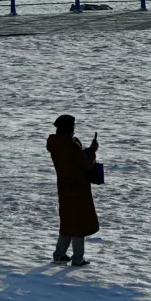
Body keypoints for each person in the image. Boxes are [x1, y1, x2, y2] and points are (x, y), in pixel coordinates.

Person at [45, 113, 99, 266]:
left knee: (68, 220)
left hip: (64, 186)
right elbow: (86, 163)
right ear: (69, 128)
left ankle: (59, 254)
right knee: (79, 222)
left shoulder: (56, 144)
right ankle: (77, 258)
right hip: (78, 187)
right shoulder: (70, 144)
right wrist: (92, 150)